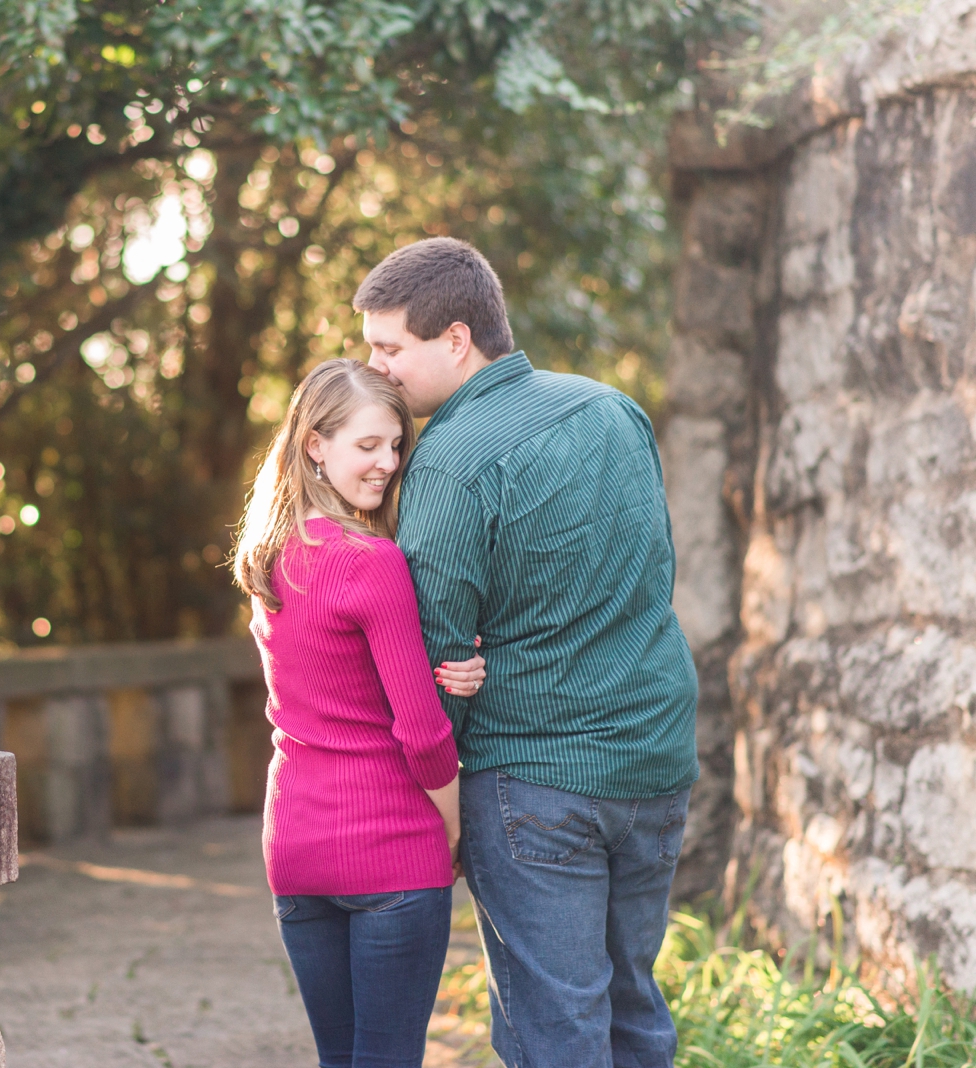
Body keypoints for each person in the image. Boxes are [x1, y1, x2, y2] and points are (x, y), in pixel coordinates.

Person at [354, 237, 699, 1068]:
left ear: (457, 339)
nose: (375, 366)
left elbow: (437, 656)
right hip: (656, 765)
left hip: (536, 782)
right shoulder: (615, 410)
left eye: (389, 347)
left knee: (556, 1031)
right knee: (633, 1008)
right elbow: (653, 572)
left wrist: (435, 800)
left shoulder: (449, 462)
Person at [233, 358, 486, 1068]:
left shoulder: (270, 553)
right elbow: (421, 732)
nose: (387, 463)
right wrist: (455, 828)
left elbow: (332, 689)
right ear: (316, 444)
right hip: (389, 847)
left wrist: (450, 674)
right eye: (367, 446)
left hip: (295, 843)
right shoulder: (370, 561)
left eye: (396, 445)